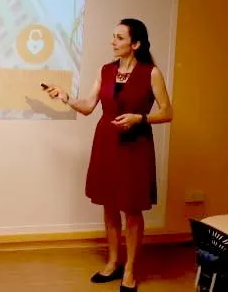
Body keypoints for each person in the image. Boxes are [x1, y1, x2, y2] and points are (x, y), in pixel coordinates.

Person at [45, 18, 173, 292]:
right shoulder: (105, 70)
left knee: (132, 209)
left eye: (119, 38)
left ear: (135, 44)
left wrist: (139, 118)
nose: (112, 42)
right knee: (110, 205)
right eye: (113, 36)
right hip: (106, 142)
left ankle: (130, 270)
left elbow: (167, 112)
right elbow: (88, 106)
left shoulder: (151, 72)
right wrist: (66, 98)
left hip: (135, 145)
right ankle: (113, 262)